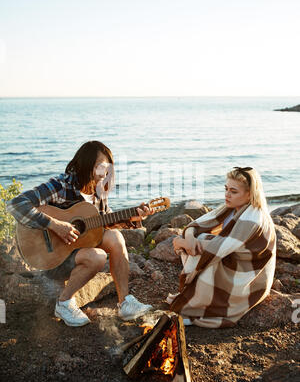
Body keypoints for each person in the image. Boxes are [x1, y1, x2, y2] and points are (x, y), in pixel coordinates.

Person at [7, 140, 153, 326]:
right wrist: (54, 224)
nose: (105, 173)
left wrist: (132, 218)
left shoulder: (98, 190)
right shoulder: (61, 186)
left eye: (107, 168)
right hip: (50, 257)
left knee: (115, 237)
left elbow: (102, 222)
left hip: (75, 251)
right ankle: (64, 303)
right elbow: (15, 204)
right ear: (85, 164)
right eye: (100, 167)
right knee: (97, 257)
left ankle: (124, 303)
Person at [168, 167, 276, 328]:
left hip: (245, 278)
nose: (227, 194)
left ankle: (199, 304)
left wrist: (182, 243)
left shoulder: (253, 217)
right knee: (199, 238)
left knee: (203, 242)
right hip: (231, 259)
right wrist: (188, 238)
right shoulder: (231, 207)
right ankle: (197, 297)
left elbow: (218, 247)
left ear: (250, 194)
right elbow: (197, 224)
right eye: (226, 189)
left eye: (233, 191)